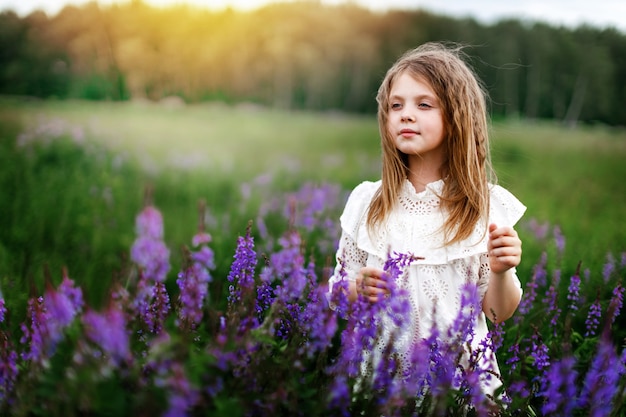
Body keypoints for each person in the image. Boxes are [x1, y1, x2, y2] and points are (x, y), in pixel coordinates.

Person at [327, 42, 526, 399]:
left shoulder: (483, 206)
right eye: (396, 105)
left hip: (460, 383)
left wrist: (501, 270)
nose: (406, 114)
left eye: (423, 104)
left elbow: (497, 313)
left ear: (457, 116)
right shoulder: (367, 203)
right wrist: (359, 288)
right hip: (384, 380)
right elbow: (339, 292)